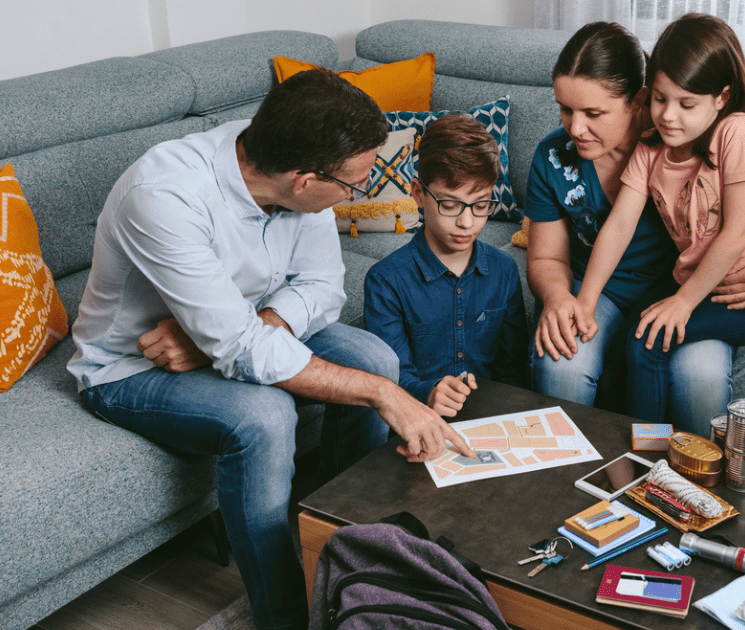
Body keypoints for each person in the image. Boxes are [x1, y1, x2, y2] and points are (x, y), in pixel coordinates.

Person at [67, 68, 472, 630]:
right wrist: (383, 396)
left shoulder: (285, 160)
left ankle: (355, 551)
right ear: (305, 181)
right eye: (353, 186)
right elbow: (241, 348)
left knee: (374, 356)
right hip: (128, 368)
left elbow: (323, 286)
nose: (359, 191)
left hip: (239, 325)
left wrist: (238, 331)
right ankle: (283, 616)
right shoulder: (162, 194)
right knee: (266, 416)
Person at [526, 21, 745, 433]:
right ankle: (599, 470)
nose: (575, 129)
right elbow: (577, 244)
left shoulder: (710, 137)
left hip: (708, 290)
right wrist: (572, 300)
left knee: (685, 368)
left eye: (594, 113)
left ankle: (685, 475)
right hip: (632, 288)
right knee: (580, 360)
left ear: (636, 101)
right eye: (565, 109)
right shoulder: (604, 153)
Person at [364, 114, 529, 417]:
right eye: (450, 205)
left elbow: (513, 370)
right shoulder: (386, 281)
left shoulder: (504, 270)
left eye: (480, 206)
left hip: (492, 421)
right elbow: (390, 377)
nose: (467, 222)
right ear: (418, 194)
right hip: (417, 418)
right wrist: (429, 392)